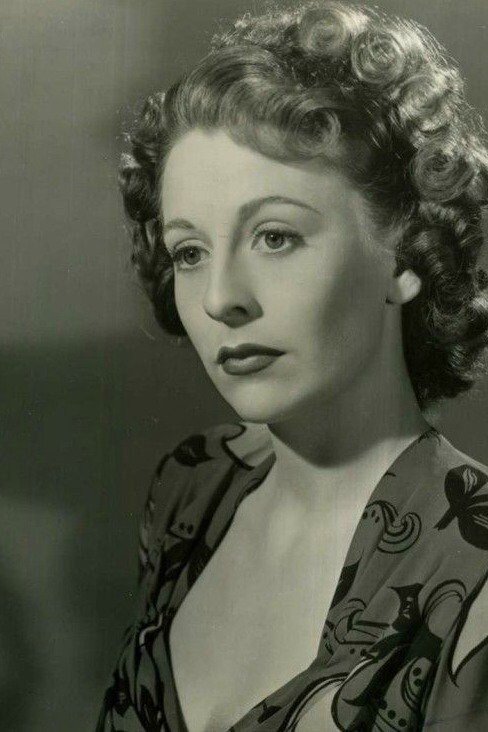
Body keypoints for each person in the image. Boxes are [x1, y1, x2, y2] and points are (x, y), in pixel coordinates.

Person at [96, 2, 488, 730]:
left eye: (275, 237)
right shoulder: (190, 489)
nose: (220, 298)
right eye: (189, 252)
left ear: (405, 256)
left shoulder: (475, 567)